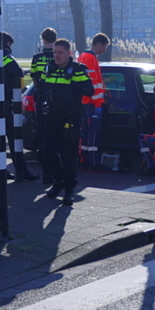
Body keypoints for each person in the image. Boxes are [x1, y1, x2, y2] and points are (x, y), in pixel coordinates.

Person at [37, 38, 93, 206]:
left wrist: (76, 82)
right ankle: (58, 180)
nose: (57, 56)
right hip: (52, 116)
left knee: (69, 155)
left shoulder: (77, 70)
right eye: (54, 52)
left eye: (60, 52)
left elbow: (89, 91)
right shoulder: (49, 68)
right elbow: (42, 88)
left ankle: (69, 189)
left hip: (70, 118)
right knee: (46, 151)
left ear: (69, 53)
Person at [2, 32, 38, 182]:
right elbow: (18, 72)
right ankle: (21, 170)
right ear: (7, 44)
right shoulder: (6, 57)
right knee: (14, 137)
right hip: (5, 103)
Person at [29, 27, 57, 185]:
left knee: (43, 134)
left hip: (41, 100)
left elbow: (34, 79)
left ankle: (45, 170)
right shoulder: (59, 56)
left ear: (43, 40)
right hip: (57, 101)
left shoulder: (37, 58)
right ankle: (54, 170)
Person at [79, 32, 109, 170]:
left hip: (84, 102)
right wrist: (98, 103)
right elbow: (93, 84)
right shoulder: (91, 58)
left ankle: (83, 158)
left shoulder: (83, 57)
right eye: (104, 47)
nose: (104, 50)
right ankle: (93, 161)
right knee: (93, 132)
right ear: (98, 44)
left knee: (85, 131)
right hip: (91, 103)